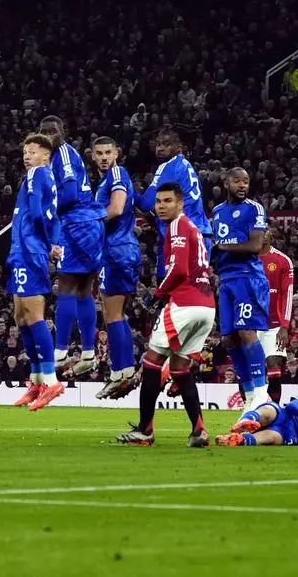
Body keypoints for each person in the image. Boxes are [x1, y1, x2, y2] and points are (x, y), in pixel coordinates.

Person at [116, 184, 213, 448]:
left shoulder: (178, 226)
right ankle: (199, 431)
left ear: (180, 204)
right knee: (181, 369)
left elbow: (179, 269)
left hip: (184, 302)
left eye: (168, 201)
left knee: (152, 361)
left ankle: (145, 430)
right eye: (158, 201)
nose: (161, 206)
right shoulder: (193, 227)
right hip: (206, 307)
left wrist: (159, 293)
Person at [39, 116, 105, 375]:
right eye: (44, 131)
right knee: (83, 290)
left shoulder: (63, 154)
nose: (49, 135)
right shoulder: (56, 155)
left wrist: (47, 209)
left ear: (62, 131)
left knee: (65, 284)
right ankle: (88, 352)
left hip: (77, 224)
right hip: (88, 223)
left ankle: (60, 351)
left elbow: (69, 193)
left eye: (53, 131)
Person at [8, 133, 66, 412]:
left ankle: (51, 381)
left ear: (46, 156)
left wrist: (44, 245)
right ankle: (36, 379)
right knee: (21, 315)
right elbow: (51, 217)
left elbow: (36, 214)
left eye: (33, 151)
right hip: (24, 251)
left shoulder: (37, 174)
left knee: (33, 315)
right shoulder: (44, 179)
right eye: (25, 151)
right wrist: (53, 244)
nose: (27, 155)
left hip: (29, 250)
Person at [211, 167, 271, 410]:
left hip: (247, 277)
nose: (242, 185)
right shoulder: (216, 212)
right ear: (227, 183)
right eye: (237, 181)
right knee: (228, 338)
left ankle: (261, 391)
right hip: (226, 280)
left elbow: (255, 244)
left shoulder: (254, 209)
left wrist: (222, 247)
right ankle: (248, 394)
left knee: (247, 332)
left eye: (246, 181)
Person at [91, 136, 142, 398]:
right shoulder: (105, 181)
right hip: (118, 250)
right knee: (115, 315)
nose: (103, 157)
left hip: (117, 250)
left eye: (108, 152)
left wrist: (87, 220)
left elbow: (118, 208)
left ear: (117, 153)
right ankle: (122, 371)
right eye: (99, 153)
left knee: (112, 315)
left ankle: (122, 372)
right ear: (92, 156)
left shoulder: (117, 173)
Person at [137, 129, 211, 281]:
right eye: (158, 144)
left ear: (178, 147)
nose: (161, 148)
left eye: (166, 144)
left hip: (182, 238)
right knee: (196, 293)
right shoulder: (187, 167)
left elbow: (146, 204)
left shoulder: (169, 166)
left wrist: (126, 189)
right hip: (201, 235)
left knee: (171, 292)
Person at [259, 227, 294, 403]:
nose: (264, 234)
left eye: (266, 231)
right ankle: (248, 408)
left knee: (273, 363)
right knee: (250, 369)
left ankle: (274, 409)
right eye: (260, 231)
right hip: (250, 323)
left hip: (273, 325)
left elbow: (287, 294)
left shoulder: (282, 260)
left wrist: (284, 326)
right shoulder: (247, 258)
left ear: (271, 235)